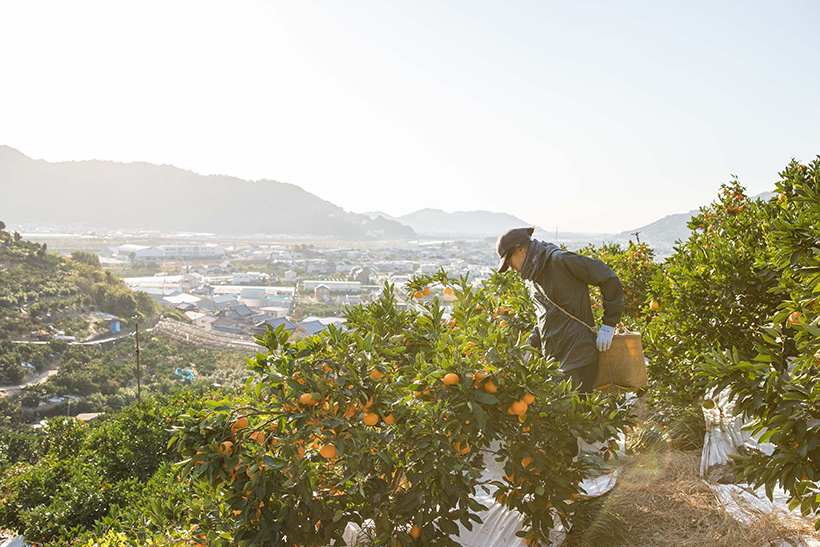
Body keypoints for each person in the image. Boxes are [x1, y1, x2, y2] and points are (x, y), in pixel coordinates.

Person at [495, 227, 624, 394]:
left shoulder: (558, 260)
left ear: (520, 249)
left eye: (509, 261)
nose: (511, 268)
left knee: (575, 414)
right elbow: (546, 316)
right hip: (555, 361)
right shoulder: (532, 279)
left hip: (579, 356)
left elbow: (608, 277)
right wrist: (532, 342)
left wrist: (609, 324)